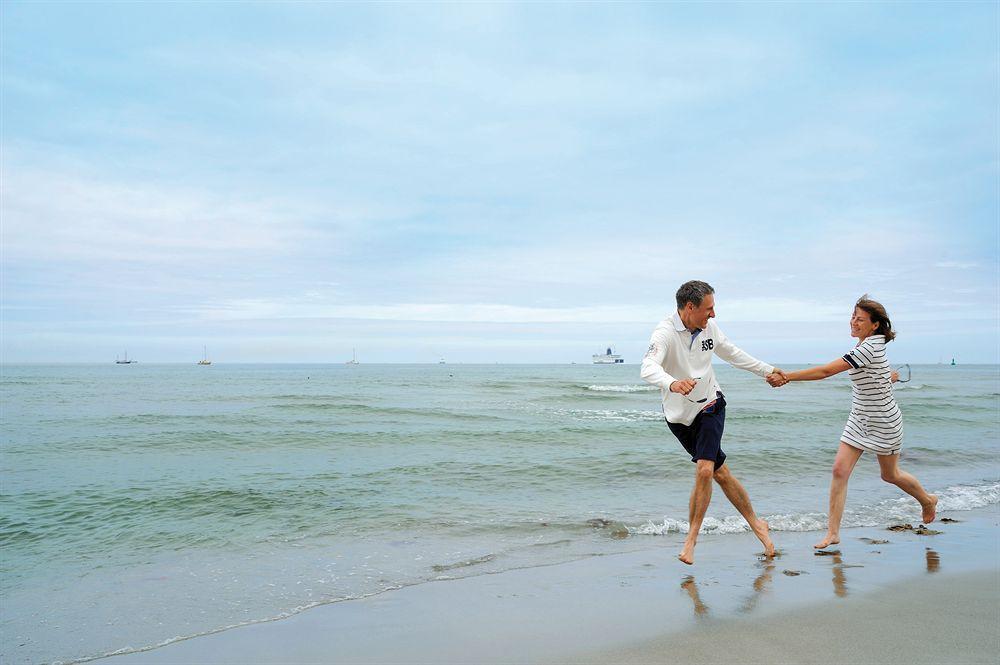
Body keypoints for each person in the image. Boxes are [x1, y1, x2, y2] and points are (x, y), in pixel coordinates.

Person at [766, 295, 937, 549]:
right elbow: (874, 374)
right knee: (839, 470)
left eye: (860, 319)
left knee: (890, 475)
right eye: (853, 317)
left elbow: (825, 372)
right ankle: (833, 533)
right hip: (859, 419)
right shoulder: (869, 347)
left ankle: (926, 500)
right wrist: (888, 376)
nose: (854, 322)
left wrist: (787, 377)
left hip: (884, 421)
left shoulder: (868, 348)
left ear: (875, 325)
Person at [641, 280, 783, 565]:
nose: (713, 315)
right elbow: (648, 367)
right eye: (709, 309)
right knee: (720, 473)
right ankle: (758, 524)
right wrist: (672, 383)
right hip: (679, 417)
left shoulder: (710, 329)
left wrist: (767, 370)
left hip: (710, 404)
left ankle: (690, 541)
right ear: (690, 308)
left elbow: (732, 352)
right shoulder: (665, 333)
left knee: (704, 470)